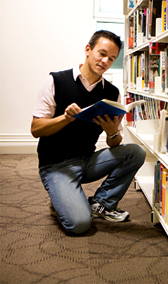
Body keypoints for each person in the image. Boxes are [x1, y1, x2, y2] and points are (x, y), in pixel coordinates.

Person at [31, 30, 146, 235]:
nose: (105, 61)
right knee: (79, 225)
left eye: (111, 58)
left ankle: (101, 203)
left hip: (87, 161)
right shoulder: (56, 81)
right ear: (87, 50)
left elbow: (114, 143)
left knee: (136, 152)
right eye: (101, 53)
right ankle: (60, 201)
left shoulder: (112, 93)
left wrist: (112, 133)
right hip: (56, 166)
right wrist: (65, 118)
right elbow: (36, 129)